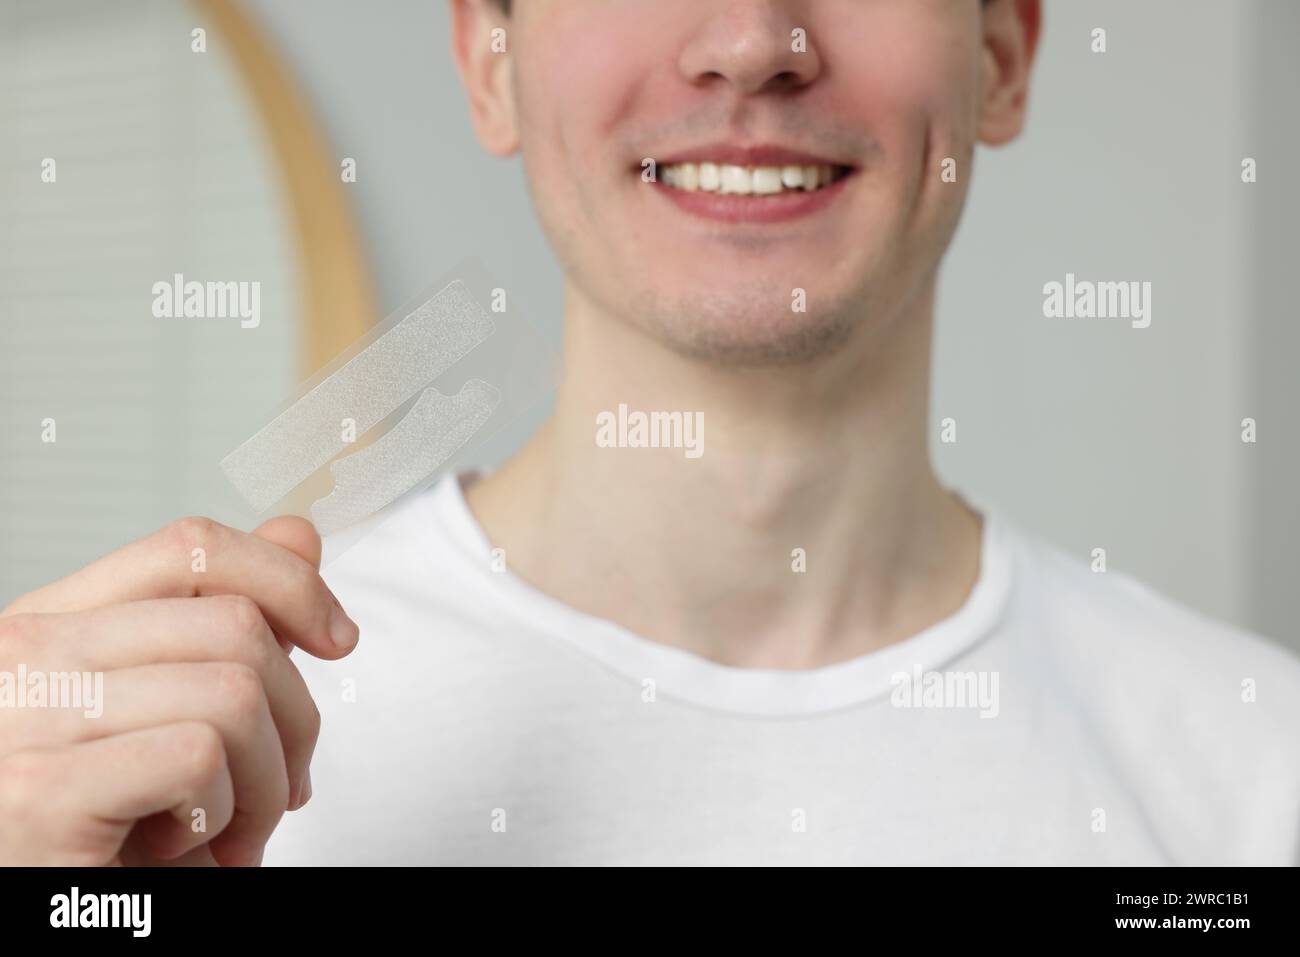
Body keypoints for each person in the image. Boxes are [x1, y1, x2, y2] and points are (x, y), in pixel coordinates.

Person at [2, 0, 1297, 866]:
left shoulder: (1255, 771)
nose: (750, 43)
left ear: (1003, 54)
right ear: (490, 62)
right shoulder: (160, 791)